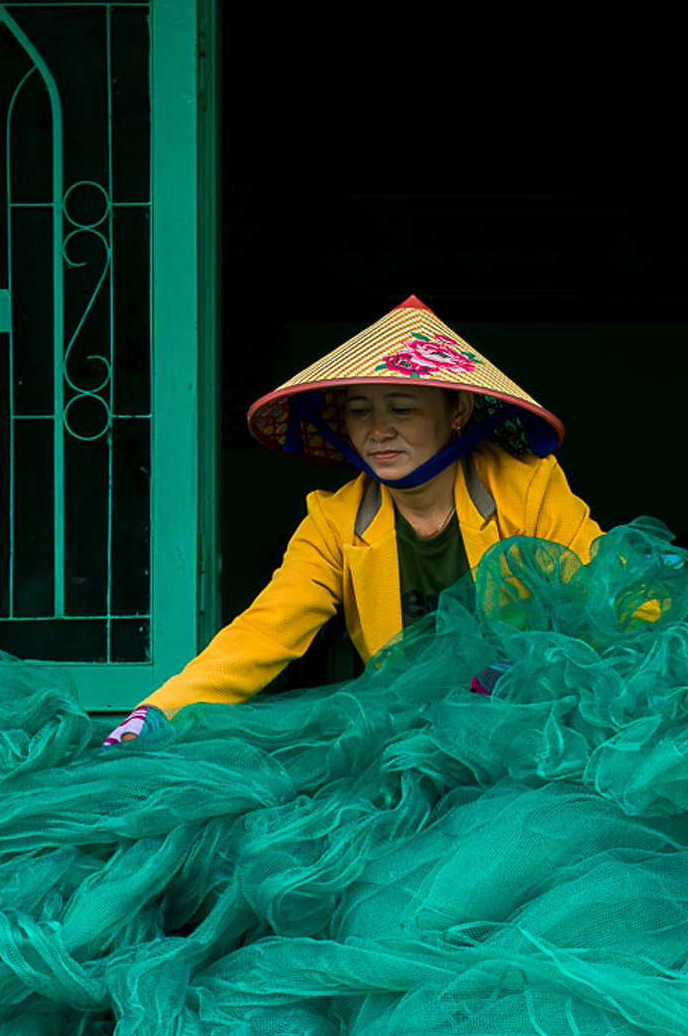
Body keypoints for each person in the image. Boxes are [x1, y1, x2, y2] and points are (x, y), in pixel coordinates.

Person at [104, 296, 600, 742]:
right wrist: (159, 712)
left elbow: (605, 594)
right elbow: (264, 632)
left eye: (401, 408)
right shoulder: (334, 521)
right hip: (404, 743)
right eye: (360, 411)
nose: (378, 430)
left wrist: (528, 667)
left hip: (537, 732)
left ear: (459, 411)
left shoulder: (527, 489)